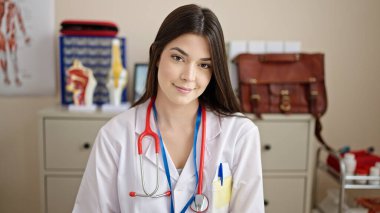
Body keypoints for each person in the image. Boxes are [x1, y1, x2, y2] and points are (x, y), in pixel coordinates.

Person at [73, 4, 264, 213]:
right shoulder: (115, 136)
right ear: (156, 56)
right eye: (178, 58)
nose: (189, 76)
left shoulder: (239, 134)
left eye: (204, 65)